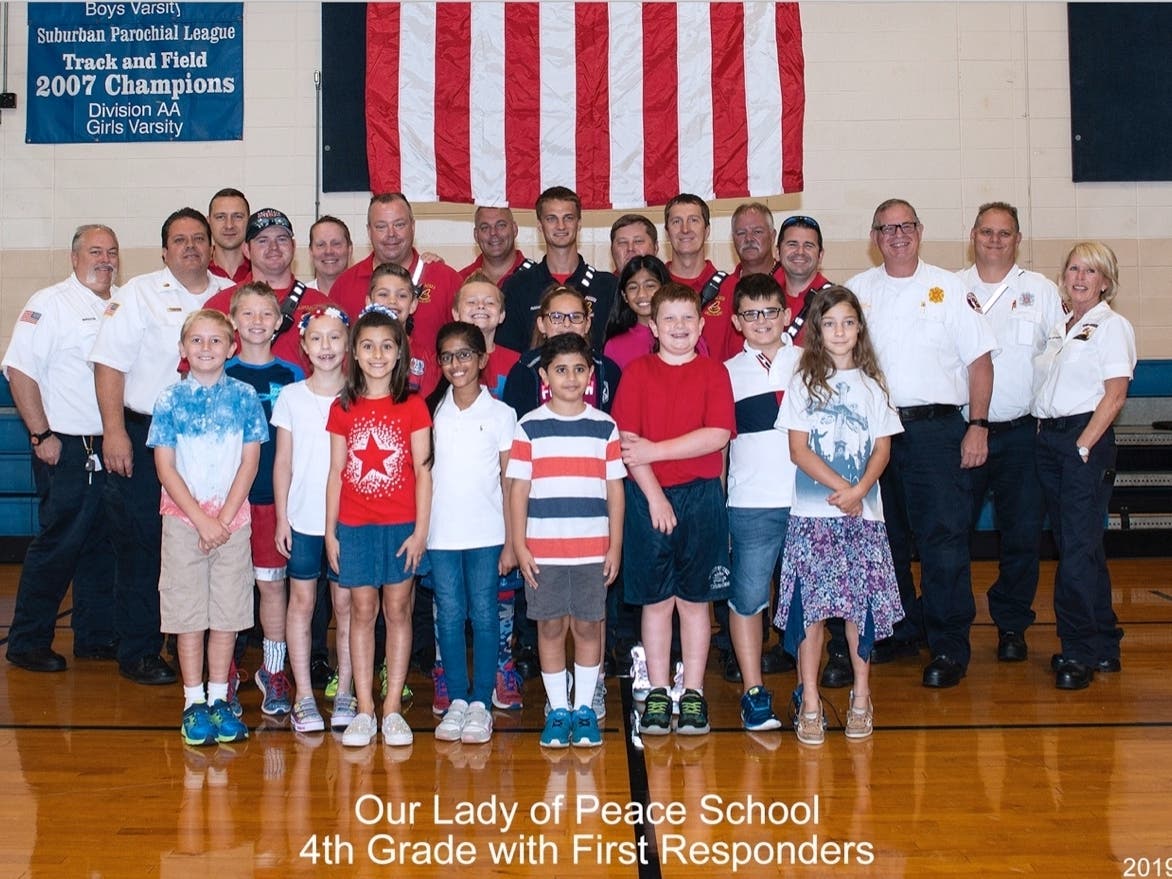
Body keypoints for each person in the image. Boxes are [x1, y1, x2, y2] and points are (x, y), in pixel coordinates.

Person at [846, 199, 995, 689]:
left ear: (920, 231)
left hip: (936, 431)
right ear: (874, 236)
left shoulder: (950, 288)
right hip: (877, 433)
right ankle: (901, 629)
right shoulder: (857, 292)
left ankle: (950, 644)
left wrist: (978, 424)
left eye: (905, 226)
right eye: (886, 228)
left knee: (942, 539)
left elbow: (979, 364)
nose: (897, 235)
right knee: (885, 542)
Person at [90, 207, 233, 685]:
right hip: (146, 433)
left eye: (199, 238)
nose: (190, 246)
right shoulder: (138, 295)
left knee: (207, 541)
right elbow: (109, 364)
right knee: (143, 544)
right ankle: (140, 648)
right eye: (180, 239)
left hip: (213, 444)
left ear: (211, 248)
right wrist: (114, 431)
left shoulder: (226, 293)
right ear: (164, 250)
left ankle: (211, 653)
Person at [775, 286, 905, 745]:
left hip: (863, 519)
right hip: (814, 516)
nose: (839, 331)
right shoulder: (802, 381)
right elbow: (798, 449)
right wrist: (843, 489)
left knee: (859, 611)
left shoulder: (873, 385)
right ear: (817, 330)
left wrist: (862, 491)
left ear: (859, 329)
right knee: (809, 611)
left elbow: (884, 446)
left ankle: (861, 697)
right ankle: (810, 700)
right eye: (830, 323)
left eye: (848, 322)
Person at [611, 282, 735, 736]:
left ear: (702, 324)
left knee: (695, 602)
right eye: (670, 319)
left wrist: (655, 451)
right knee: (657, 601)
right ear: (653, 326)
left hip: (702, 498)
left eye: (688, 318)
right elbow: (628, 447)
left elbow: (716, 435)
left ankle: (694, 693)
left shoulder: (713, 373)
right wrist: (656, 495)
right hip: (649, 500)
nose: (679, 327)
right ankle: (660, 692)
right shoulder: (638, 374)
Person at [146, 308, 268, 745]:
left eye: (216, 341)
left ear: (232, 347)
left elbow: (250, 461)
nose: (205, 348)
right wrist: (200, 518)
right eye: (196, 341)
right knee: (189, 616)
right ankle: (193, 702)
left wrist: (224, 518)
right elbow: (165, 466)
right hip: (183, 524)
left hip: (233, 525)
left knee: (227, 616)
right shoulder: (169, 400)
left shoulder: (244, 398)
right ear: (182, 349)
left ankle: (220, 698)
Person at [2, 225, 120, 672]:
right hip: (66, 447)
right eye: (94, 251)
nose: (104, 259)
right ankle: (28, 641)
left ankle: (94, 635)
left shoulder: (120, 304)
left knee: (101, 545)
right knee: (59, 544)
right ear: (74, 258)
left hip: (109, 445)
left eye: (111, 252)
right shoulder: (49, 303)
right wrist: (40, 435)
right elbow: (19, 371)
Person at [502, 285, 621, 705]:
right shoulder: (529, 426)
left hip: (592, 549)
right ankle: (557, 706)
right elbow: (517, 489)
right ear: (544, 375)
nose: (570, 378)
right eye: (560, 370)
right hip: (544, 551)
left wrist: (615, 546)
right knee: (550, 627)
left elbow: (614, 489)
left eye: (578, 370)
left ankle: (585, 704)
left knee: (589, 625)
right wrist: (518, 544)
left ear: (591, 375)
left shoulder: (605, 426)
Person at [957, 202, 1064, 662]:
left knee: (1021, 536)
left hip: (1022, 434)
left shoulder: (1040, 291)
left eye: (1004, 233)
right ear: (973, 236)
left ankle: (1012, 624)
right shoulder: (950, 289)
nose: (995, 240)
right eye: (987, 232)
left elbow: (1059, 355)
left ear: (1017, 239)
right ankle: (950, 623)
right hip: (963, 432)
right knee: (951, 534)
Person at [325, 305, 432, 747]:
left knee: (398, 610)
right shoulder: (342, 406)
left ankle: (391, 709)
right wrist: (331, 531)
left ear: (400, 351)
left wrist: (420, 531)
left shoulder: (413, 405)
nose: (377, 354)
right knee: (361, 612)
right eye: (368, 346)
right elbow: (336, 472)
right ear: (355, 351)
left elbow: (424, 470)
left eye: (387, 346)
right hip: (355, 526)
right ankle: (364, 709)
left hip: (401, 525)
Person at [1033, 242, 1136, 690]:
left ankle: (1077, 651)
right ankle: (1105, 643)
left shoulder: (1113, 327)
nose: (1080, 277)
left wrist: (1082, 446)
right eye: (1073, 268)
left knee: (1074, 552)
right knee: (1082, 545)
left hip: (1082, 441)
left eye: (1090, 271)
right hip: (1051, 439)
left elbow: (1114, 395)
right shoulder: (1062, 326)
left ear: (1105, 282)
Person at [427, 322, 517, 743]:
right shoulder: (430, 412)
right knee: (448, 615)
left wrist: (513, 541)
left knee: (484, 614)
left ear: (482, 360)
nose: (456, 364)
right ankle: (457, 700)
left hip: (487, 534)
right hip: (441, 535)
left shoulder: (502, 414)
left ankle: (481, 701)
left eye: (465, 355)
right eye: (447, 356)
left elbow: (509, 480)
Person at [723, 273, 802, 730]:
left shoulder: (812, 363)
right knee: (749, 597)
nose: (761, 321)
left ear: (786, 316)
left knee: (805, 601)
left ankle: (805, 691)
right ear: (736, 321)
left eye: (770, 311)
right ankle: (754, 691)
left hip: (807, 502)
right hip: (751, 502)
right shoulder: (727, 372)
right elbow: (720, 445)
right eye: (751, 314)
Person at [224, 283, 306, 717]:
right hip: (227, 503)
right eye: (247, 314)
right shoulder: (220, 372)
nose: (257, 322)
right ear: (234, 321)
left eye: (265, 314)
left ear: (278, 322)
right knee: (231, 588)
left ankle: (273, 672)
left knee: (273, 588)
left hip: (275, 502)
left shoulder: (293, 376)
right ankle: (227, 671)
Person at [272, 305, 352, 732]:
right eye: (317, 338)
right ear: (303, 345)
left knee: (346, 606)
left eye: (335, 337)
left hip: (348, 523)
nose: (326, 346)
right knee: (301, 604)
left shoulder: (358, 396)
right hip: (303, 520)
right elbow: (282, 462)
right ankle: (303, 693)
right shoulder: (291, 397)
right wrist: (283, 518)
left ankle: (345, 693)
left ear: (348, 344)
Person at [331, 192, 461, 361]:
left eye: (399, 224)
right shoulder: (344, 285)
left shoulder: (446, 280)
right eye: (381, 226)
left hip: (432, 387)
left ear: (413, 226)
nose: (391, 234)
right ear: (369, 231)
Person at [204, 209, 330, 372]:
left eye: (282, 239)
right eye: (262, 240)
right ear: (246, 250)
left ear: (293, 246)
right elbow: (196, 373)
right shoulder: (219, 306)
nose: (273, 247)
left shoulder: (321, 306)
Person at [498, 186, 618, 353]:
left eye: (568, 218)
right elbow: (507, 354)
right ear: (540, 225)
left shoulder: (607, 286)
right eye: (551, 219)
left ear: (579, 223)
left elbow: (618, 349)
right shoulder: (517, 286)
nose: (561, 226)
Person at [663, 194, 730, 359]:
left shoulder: (731, 288)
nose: (685, 229)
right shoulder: (653, 286)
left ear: (707, 231)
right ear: (667, 232)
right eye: (676, 221)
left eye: (693, 220)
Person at [710, 202, 778, 361]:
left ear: (773, 236)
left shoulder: (790, 286)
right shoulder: (718, 291)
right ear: (733, 239)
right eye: (741, 233)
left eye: (757, 231)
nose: (749, 238)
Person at [453, 274, 519, 400]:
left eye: (490, 302)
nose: (481, 306)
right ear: (455, 313)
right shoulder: (446, 362)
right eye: (471, 302)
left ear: (501, 315)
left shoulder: (517, 363)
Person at [604, 255, 671, 370]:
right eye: (633, 287)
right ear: (624, 296)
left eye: (650, 286)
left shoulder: (684, 335)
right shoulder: (614, 346)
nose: (642, 294)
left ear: (664, 288)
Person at [460, 206, 526, 284]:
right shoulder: (460, 281)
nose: (493, 233)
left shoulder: (538, 278)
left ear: (514, 229)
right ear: (476, 235)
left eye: (501, 225)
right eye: (485, 227)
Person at [207, 188, 251, 284]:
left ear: (249, 221)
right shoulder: (197, 270)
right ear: (209, 222)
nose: (229, 225)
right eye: (220, 217)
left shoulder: (262, 269)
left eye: (238, 216)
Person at [307, 216, 354, 297]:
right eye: (321, 245)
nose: (328, 251)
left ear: (349, 250)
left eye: (336, 244)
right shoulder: (299, 300)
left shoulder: (366, 296)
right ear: (311, 252)